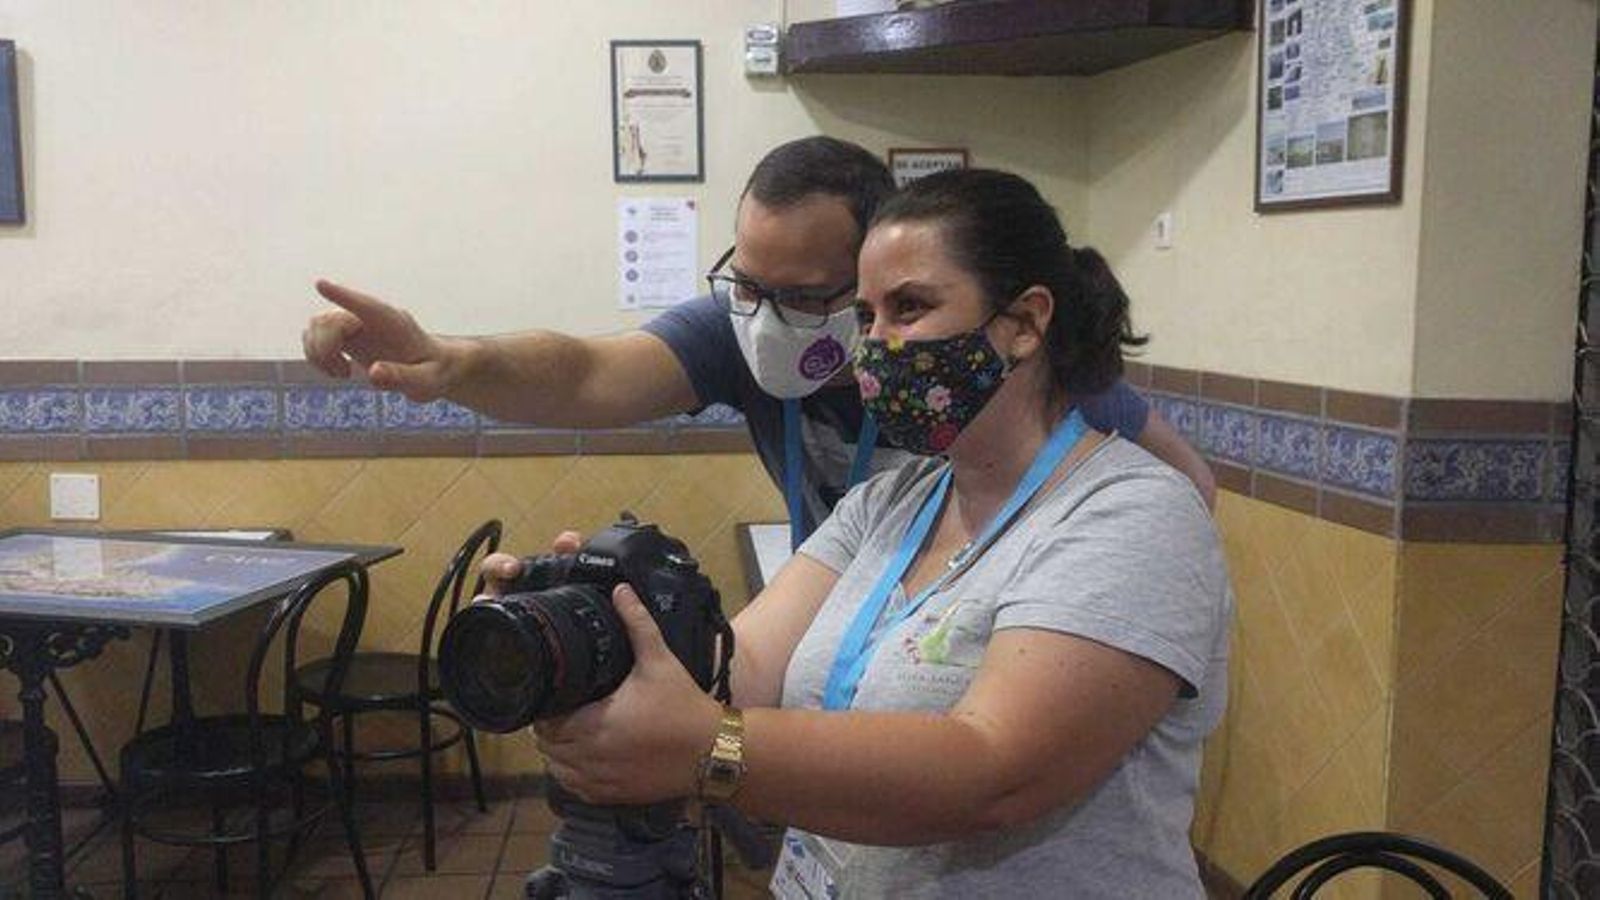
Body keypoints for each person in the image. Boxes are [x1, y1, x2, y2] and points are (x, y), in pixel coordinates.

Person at [529, 169, 1233, 898]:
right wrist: (592, 642)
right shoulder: (886, 505)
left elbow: (994, 772)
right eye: (866, 316)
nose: (876, 348)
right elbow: (737, 669)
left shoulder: (1136, 515)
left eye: (911, 308)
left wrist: (711, 748)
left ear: (1024, 322)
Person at [301, 137, 1215, 550]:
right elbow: (582, 376)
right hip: (854, 619)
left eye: (804, 297)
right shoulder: (735, 340)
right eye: (748, 286)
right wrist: (451, 360)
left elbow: (1187, 487)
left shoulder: (1005, 370)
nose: (765, 321)